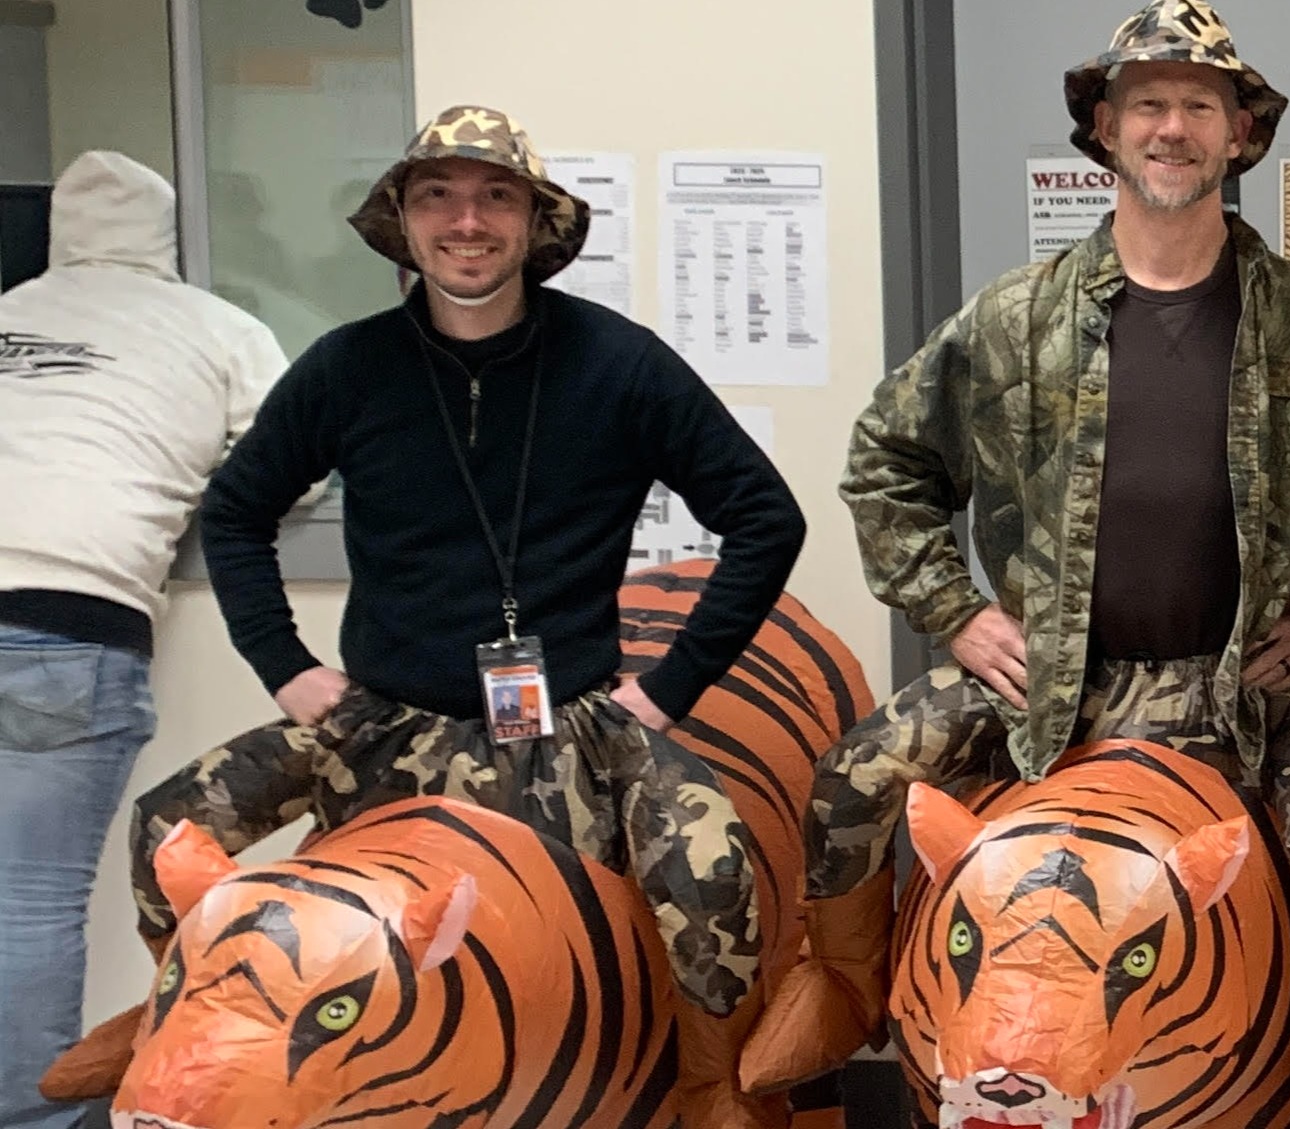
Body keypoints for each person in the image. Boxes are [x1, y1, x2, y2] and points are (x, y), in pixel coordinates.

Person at [797, 0, 1290, 1115]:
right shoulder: (1013, 319)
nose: (1171, 127)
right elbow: (885, 460)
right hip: (1047, 682)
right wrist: (953, 612)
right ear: (1104, 130)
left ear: (1242, 133)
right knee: (853, 777)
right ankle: (846, 985)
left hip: (1241, 688)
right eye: (1146, 105)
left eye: (1198, 104)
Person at [151, 105, 804, 1115]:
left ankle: (710, 1088)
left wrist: (667, 691)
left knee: (710, 875)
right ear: (404, 224)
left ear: (534, 223)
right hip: (379, 726)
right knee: (165, 830)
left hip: (570, 728)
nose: (467, 220)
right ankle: (183, 1045)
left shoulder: (619, 363)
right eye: (438, 197)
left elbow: (765, 517)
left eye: (495, 195)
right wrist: (285, 665)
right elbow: (235, 512)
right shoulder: (345, 366)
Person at [0, 151, 285, 1129]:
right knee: (26, 903)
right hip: (67, 624)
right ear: (167, 235)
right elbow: (299, 471)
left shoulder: (9, 309)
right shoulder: (220, 329)